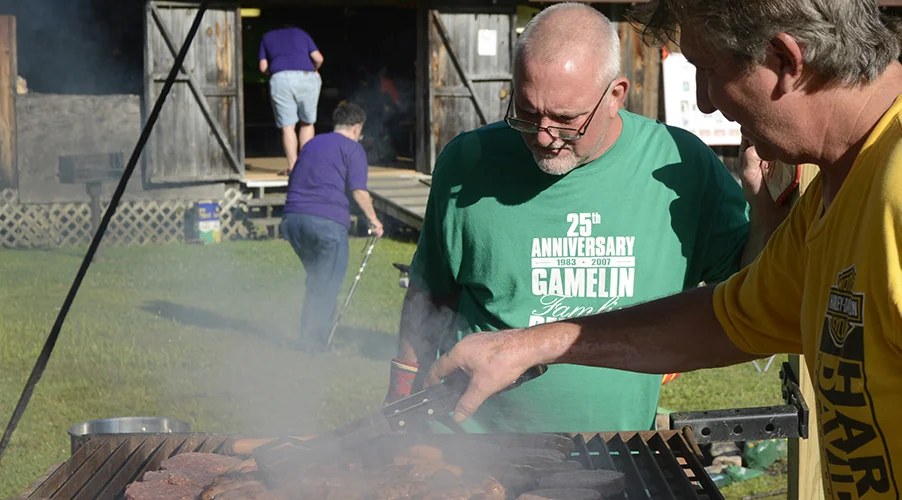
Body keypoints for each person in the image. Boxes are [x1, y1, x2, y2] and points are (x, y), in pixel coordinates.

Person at [426, 0, 902, 497]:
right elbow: (726, 319)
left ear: (784, 61)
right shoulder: (837, 189)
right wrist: (528, 344)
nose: (705, 103)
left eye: (709, 70)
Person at [385, 3, 787, 433]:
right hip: (475, 450)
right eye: (526, 111)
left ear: (615, 95)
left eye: (565, 119)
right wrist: (400, 408)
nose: (543, 136)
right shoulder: (467, 162)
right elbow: (428, 296)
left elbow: (752, 295)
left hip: (617, 452)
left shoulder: (681, 164)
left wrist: (763, 210)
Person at [280, 103, 384, 353]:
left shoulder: (311, 144)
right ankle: (313, 344)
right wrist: (374, 220)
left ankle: (310, 337)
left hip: (293, 221)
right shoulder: (353, 149)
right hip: (326, 223)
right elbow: (358, 191)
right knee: (327, 284)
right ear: (356, 128)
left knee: (318, 280)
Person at [259, 25, 324, 173]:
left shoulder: (267, 37)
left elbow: (263, 67)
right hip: (306, 77)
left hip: (280, 79)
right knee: (307, 123)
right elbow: (319, 58)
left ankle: (293, 167)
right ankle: (305, 166)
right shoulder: (301, 33)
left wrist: (277, 73)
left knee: (287, 126)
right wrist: (314, 69)